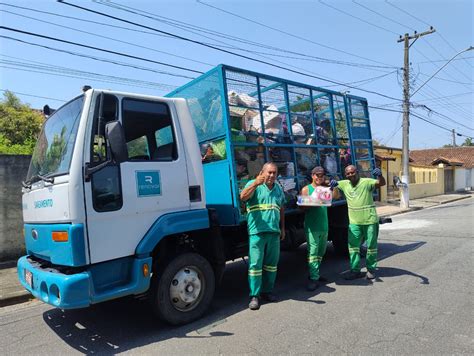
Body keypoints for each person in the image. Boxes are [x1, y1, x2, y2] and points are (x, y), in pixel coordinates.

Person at [240, 162, 286, 310]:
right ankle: (254, 295)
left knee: (272, 265)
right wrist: (255, 184)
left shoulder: (278, 188)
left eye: (274, 173)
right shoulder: (253, 184)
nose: (272, 175)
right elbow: (243, 197)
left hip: (274, 232)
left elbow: (281, 208)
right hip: (257, 232)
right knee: (255, 265)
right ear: (262, 172)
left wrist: (282, 228)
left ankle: (267, 291)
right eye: (269, 172)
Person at [330, 165, 386, 280]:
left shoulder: (367, 182)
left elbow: (381, 183)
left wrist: (380, 175)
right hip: (354, 223)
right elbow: (334, 192)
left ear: (357, 172)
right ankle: (355, 270)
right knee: (353, 248)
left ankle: (371, 269)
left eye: (352, 172)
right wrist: (332, 184)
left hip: (370, 221)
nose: (351, 175)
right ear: (345, 175)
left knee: (371, 247)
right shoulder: (344, 184)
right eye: (348, 173)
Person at [299, 166, 340, 291]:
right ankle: (313, 278)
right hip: (312, 227)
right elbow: (301, 207)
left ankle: (315, 273)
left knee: (321, 252)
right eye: (317, 175)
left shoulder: (325, 189)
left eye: (321, 175)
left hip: (323, 226)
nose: (319, 177)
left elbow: (336, 196)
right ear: (312, 176)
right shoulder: (306, 189)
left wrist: (335, 187)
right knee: (313, 252)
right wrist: (312, 202)